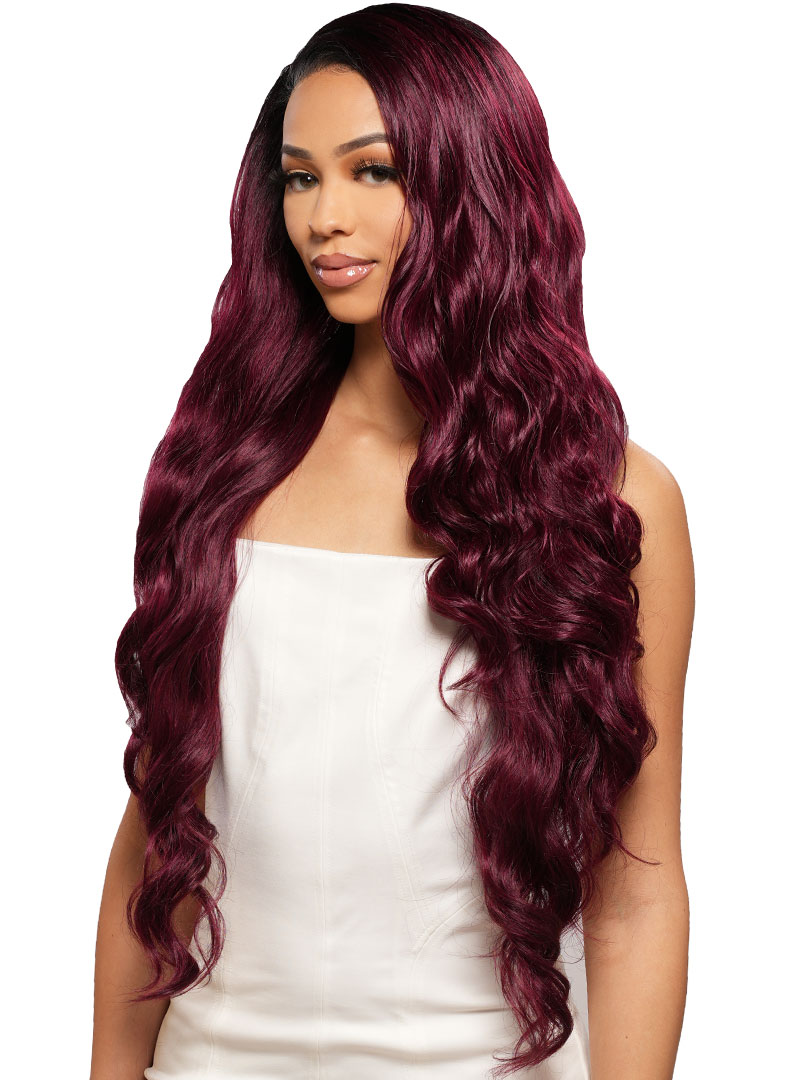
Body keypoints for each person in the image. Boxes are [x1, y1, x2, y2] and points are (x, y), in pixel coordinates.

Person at [90, 5, 694, 1079]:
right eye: (299, 178)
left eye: (373, 172)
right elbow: (157, 837)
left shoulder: (610, 503)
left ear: (475, 185)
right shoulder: (224, 470)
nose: (324, 217)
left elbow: (634, 893)